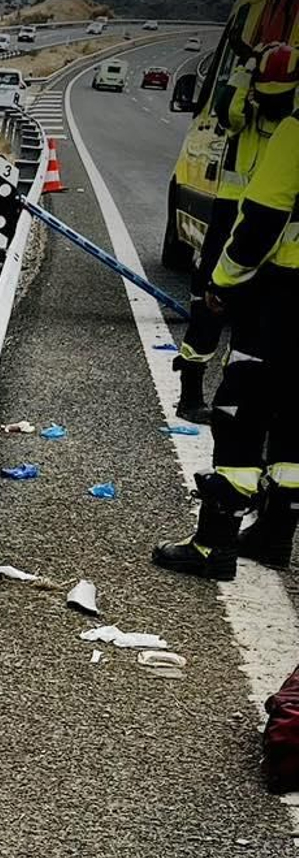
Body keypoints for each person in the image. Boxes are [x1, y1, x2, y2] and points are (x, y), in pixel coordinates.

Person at [155, 43, 299, 579]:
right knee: (294, 420)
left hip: (284, 293)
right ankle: (275, 537)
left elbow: (261, 220)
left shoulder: (293, 131)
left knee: (241, 408)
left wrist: (222, 280)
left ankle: (215, 546)